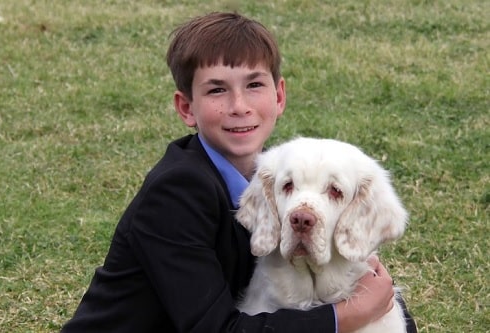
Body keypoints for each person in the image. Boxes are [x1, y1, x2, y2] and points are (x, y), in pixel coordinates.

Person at [61, 11, 417, 333]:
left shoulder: (273, 175)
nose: (239, 107)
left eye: (254, 85)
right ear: (186, 107)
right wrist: (345, 317)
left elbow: (368, 283)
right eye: (217, 89)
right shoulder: (175, 192)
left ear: (279, 97)